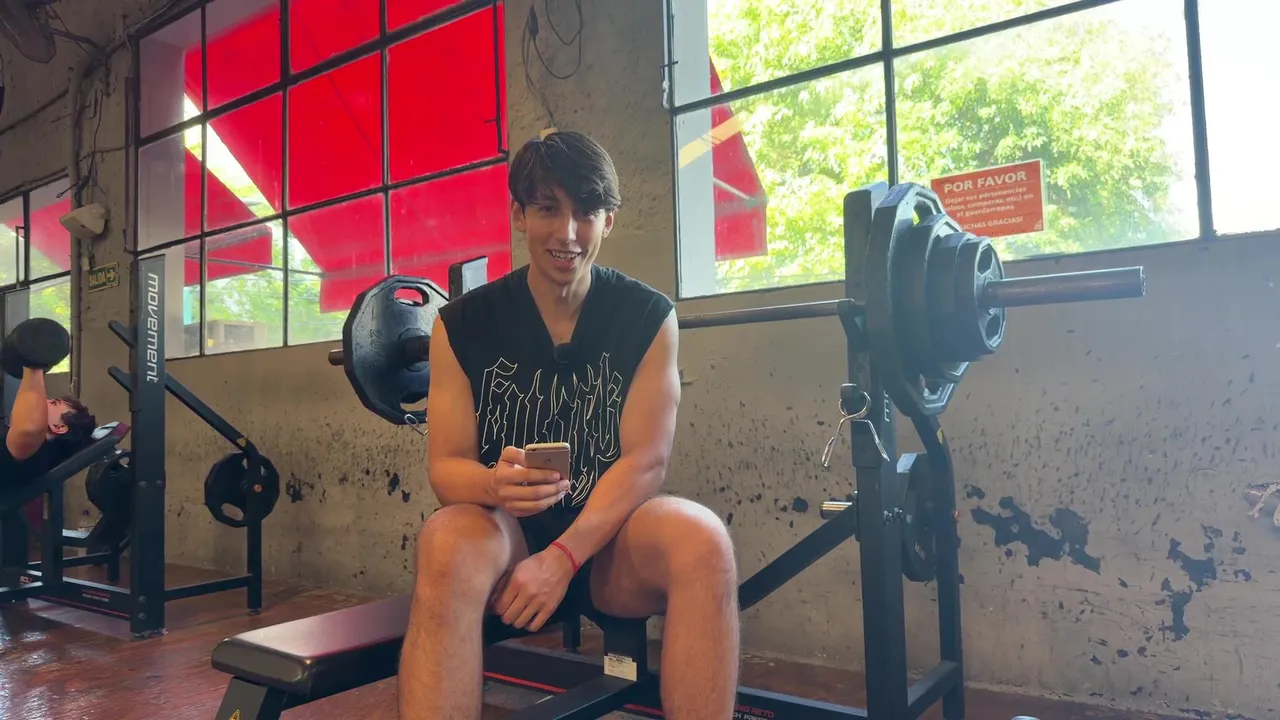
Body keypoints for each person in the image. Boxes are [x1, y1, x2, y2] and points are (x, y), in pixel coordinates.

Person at [398, 131, 740, 719]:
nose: (568, 233)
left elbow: (646, 461)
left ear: (609, 220)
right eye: (547, 209)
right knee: (445, 541)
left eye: (586, 212)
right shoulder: (459, 325)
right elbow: (446, 469)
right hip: (507, 542)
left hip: (609, 546)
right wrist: (492, 484)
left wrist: (563, 556)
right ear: (519, 215)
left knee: (703, 539)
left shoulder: (648, 317)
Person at [1, 365, 97, 484]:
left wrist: (34, 364)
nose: (44, 400)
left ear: (59, 426)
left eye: (54, 403)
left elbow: (30, 429)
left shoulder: (34, 454)